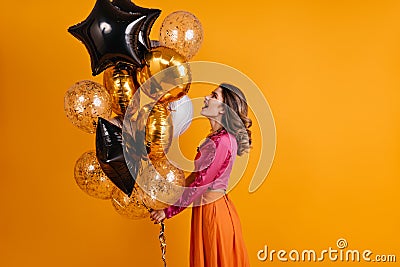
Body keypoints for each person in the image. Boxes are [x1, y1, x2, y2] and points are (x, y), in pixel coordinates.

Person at [150, 83, 252, 267]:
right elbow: (196, 177)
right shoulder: (218, 139)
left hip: (213, 212)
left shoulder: (222, 142)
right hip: (210, 208)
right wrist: (168, 199)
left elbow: (200, 183)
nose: (206, 97)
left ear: (223, 108)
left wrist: (168, 211)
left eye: (214, 95)